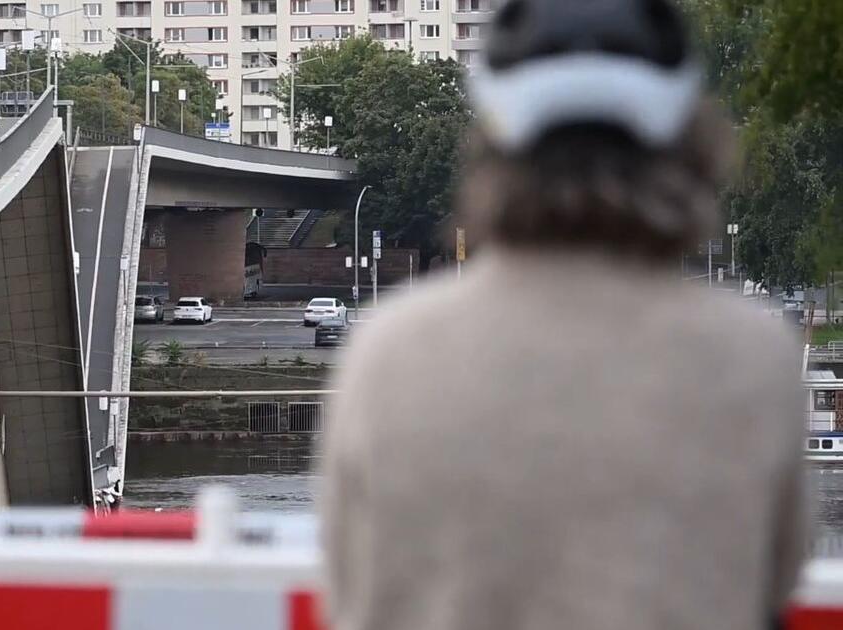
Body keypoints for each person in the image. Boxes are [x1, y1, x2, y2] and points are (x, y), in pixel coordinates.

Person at [321, 1, 807, 629]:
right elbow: (774, 579)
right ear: (689, 144)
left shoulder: (389, 352)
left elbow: (353, 591)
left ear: (493, 144)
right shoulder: (752, 357)